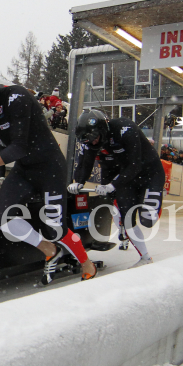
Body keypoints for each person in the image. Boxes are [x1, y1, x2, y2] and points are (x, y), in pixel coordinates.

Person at [0, 68, 97, 284]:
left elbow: (18, 148)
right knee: (3, 218)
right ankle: (49, 250)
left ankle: (86, 262)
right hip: (25, 170)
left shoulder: (17, 97)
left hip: (50, 167)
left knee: (55, 229)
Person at [69, 108, 166, 270]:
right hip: (127, 178)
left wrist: (112, 185)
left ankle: (152, 205)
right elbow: (85, 162)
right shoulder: (92, 141)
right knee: (127, 218)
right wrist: (79, 182)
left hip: (150, 173)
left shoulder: (125, 129)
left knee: (148, 220)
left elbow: (134, 164)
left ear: (102, 129)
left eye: (94, 138)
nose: (93, 142)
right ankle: (145, 257)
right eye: (88, 140)